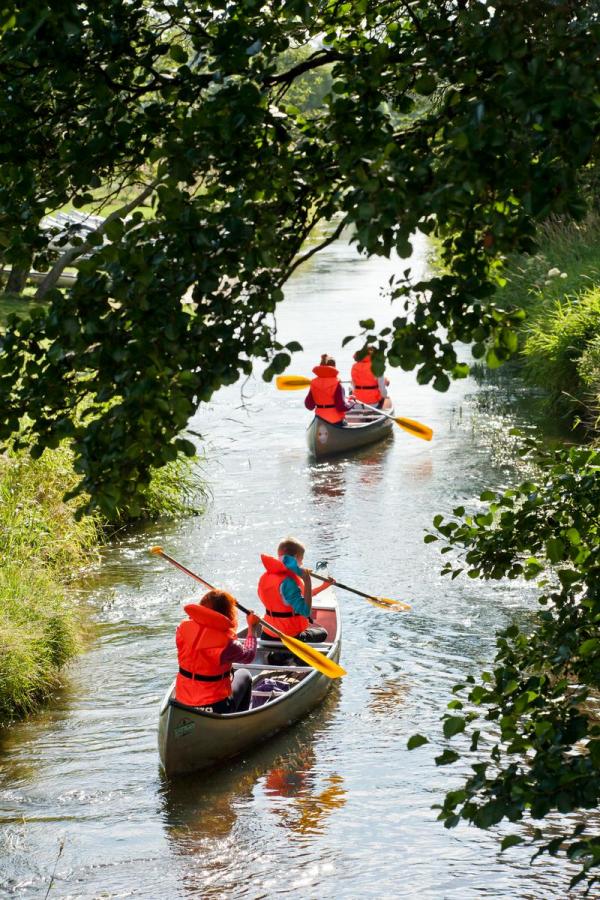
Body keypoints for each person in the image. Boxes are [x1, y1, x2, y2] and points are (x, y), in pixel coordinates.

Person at [175, 590, 260, 714]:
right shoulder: (228, 644)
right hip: (216, 705)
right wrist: (252, 628)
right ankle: (237, 720)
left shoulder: (181, 629)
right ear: (227, 614)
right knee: (245, 674)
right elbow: (248, 655)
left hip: (182, 701)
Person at [257, 537, 331, 644]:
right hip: (288, 636)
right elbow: (305, 612)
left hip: (267, 634)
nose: (302, 564)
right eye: (302, 559)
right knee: (323, 633)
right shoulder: (288, 582)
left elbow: (301, 595)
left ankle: (278, 656)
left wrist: (324, 586)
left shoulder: (266, 576)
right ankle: (287, 657)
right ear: (296, 557)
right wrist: (307, 581)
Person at [304, 354, 354, 425]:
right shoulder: (337, 384)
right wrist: (351, 402)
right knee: (346, 423)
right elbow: (341, 407)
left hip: (320, 420)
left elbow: (309, 406)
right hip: (336, 421)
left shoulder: (313, 383)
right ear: (334, 367)